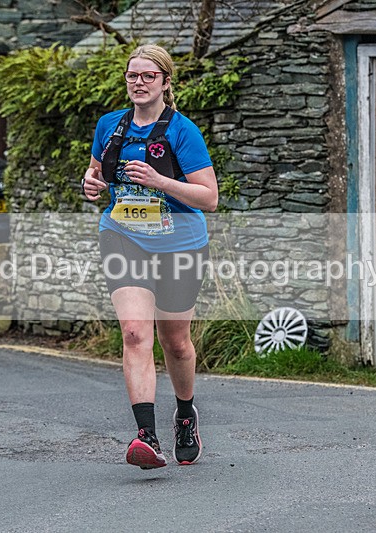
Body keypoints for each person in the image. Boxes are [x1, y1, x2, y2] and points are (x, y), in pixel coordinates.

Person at [81, 44, 218, 469]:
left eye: (147, 76)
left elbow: (210, 198)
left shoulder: (182, 130)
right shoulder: (109, 126)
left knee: (175, 343)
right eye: (132, 75)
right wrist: (91, 185)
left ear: (164, 82)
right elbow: (95, 173)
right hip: (124, 236)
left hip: (179, 243)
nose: (138, 82)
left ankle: (184, 413)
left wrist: (161, 181)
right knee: (135, 334)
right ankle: (147, 437)